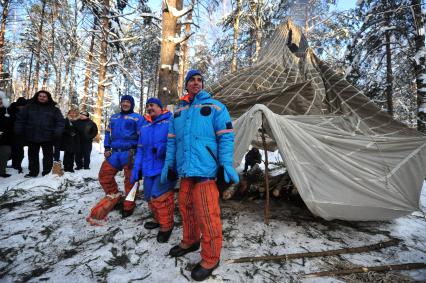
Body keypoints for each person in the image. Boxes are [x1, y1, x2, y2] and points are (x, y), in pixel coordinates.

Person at [161, 70, 239, 281]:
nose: (196, 83)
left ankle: (211, 257)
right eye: (192, 80)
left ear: (202, 84)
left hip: (206, 171)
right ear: (186, 85)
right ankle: (190, 240)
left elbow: (226, 137)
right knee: (185, 207)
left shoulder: (215, 106)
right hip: (186, 171)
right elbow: (171, 141)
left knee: (207, 214)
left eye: (199, 80)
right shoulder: (178, 111)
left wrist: (225, 164)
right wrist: (169, 164)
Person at [87, 95, 143, 224]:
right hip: (115, 153)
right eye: (123, 101)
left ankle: (129, 205)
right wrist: (107, 148)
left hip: (130, 153)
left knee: (131, 181)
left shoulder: (138, 118)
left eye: (128, 102)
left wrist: (139, 153)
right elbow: (107, 133)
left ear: (132, 104)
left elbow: (142, 136)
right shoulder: (114, 117)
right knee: (104, 175)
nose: (125, 104)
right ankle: (114, 195)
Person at [130, 97, 175, 243]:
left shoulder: (170, 121)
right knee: (149, 196)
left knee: (159, 197)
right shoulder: (145, 126)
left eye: (153, 105)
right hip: (148, 169)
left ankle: (166, 226)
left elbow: (176, 143)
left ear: (161, 107)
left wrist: (162, 148)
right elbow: (141, 150)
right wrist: (136, 169)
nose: (149, 108)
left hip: (165, 168)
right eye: (148, 106)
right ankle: (157, 219)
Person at [14, 90, 65, 178]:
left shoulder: (54, 109)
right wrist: (18, 128)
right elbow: (20, 119)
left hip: (48, 136)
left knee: (48, 156)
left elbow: (60, 122)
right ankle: (33, 172)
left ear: (48, 98)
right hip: (32, 135)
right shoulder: (29, 107)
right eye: (40, 96)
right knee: (32, 155)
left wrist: (58, 131)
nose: (42, 98)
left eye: (44, 96)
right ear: (37, 96)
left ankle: (47, 172)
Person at [9, 97, 27, 173]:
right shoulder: (11, 111)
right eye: (20, 106)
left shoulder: (27, 111)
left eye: (23, 106)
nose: (21, 107)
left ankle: (17, 165)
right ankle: (15, 165)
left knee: (20, 152)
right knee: (13, 151)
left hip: (22, 135)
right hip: (12, 135)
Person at [0, 91, 13, 178]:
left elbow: (11, 123)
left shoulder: (8, 110)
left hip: (5, 138)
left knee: (5, 154)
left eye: (0, 99)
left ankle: (2, 171)